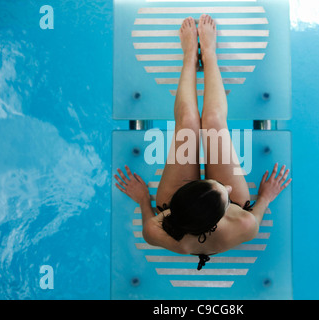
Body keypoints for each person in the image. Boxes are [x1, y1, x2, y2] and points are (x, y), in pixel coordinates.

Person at [114, 15, 292, 270]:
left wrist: (144, 199)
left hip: (178, 203)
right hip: (222, 210)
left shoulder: (156, 231)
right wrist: (265, 196)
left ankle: (189, 57)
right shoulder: (244, 226)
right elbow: (258, 208)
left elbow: (147, 223)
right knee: (213, 121)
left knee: (188, 122)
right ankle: (208, 53)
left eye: (219, 187)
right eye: (223, 189)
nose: (227, 187)